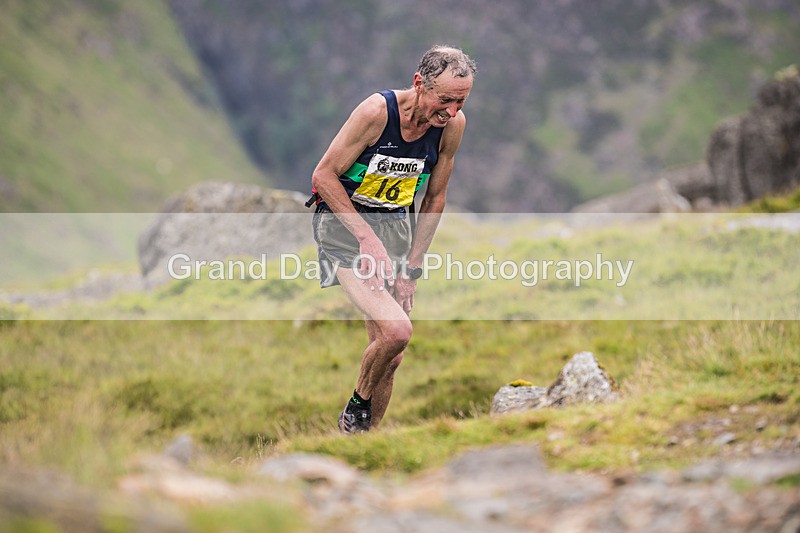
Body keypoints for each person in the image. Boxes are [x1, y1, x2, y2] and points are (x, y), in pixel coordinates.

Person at [309, 45, 476, 433]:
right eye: (445, 100)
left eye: (461, 101)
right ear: (420, 84)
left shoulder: (452, 126)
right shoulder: (375, 113)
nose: (451, 112)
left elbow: (434, 197)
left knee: (392, 354)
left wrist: (412, 267)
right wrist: (366, 239)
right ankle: (356, 409)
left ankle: (365, 443)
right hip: (345, 229)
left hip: (394, 231)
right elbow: (323, 177)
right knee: (398, 331)